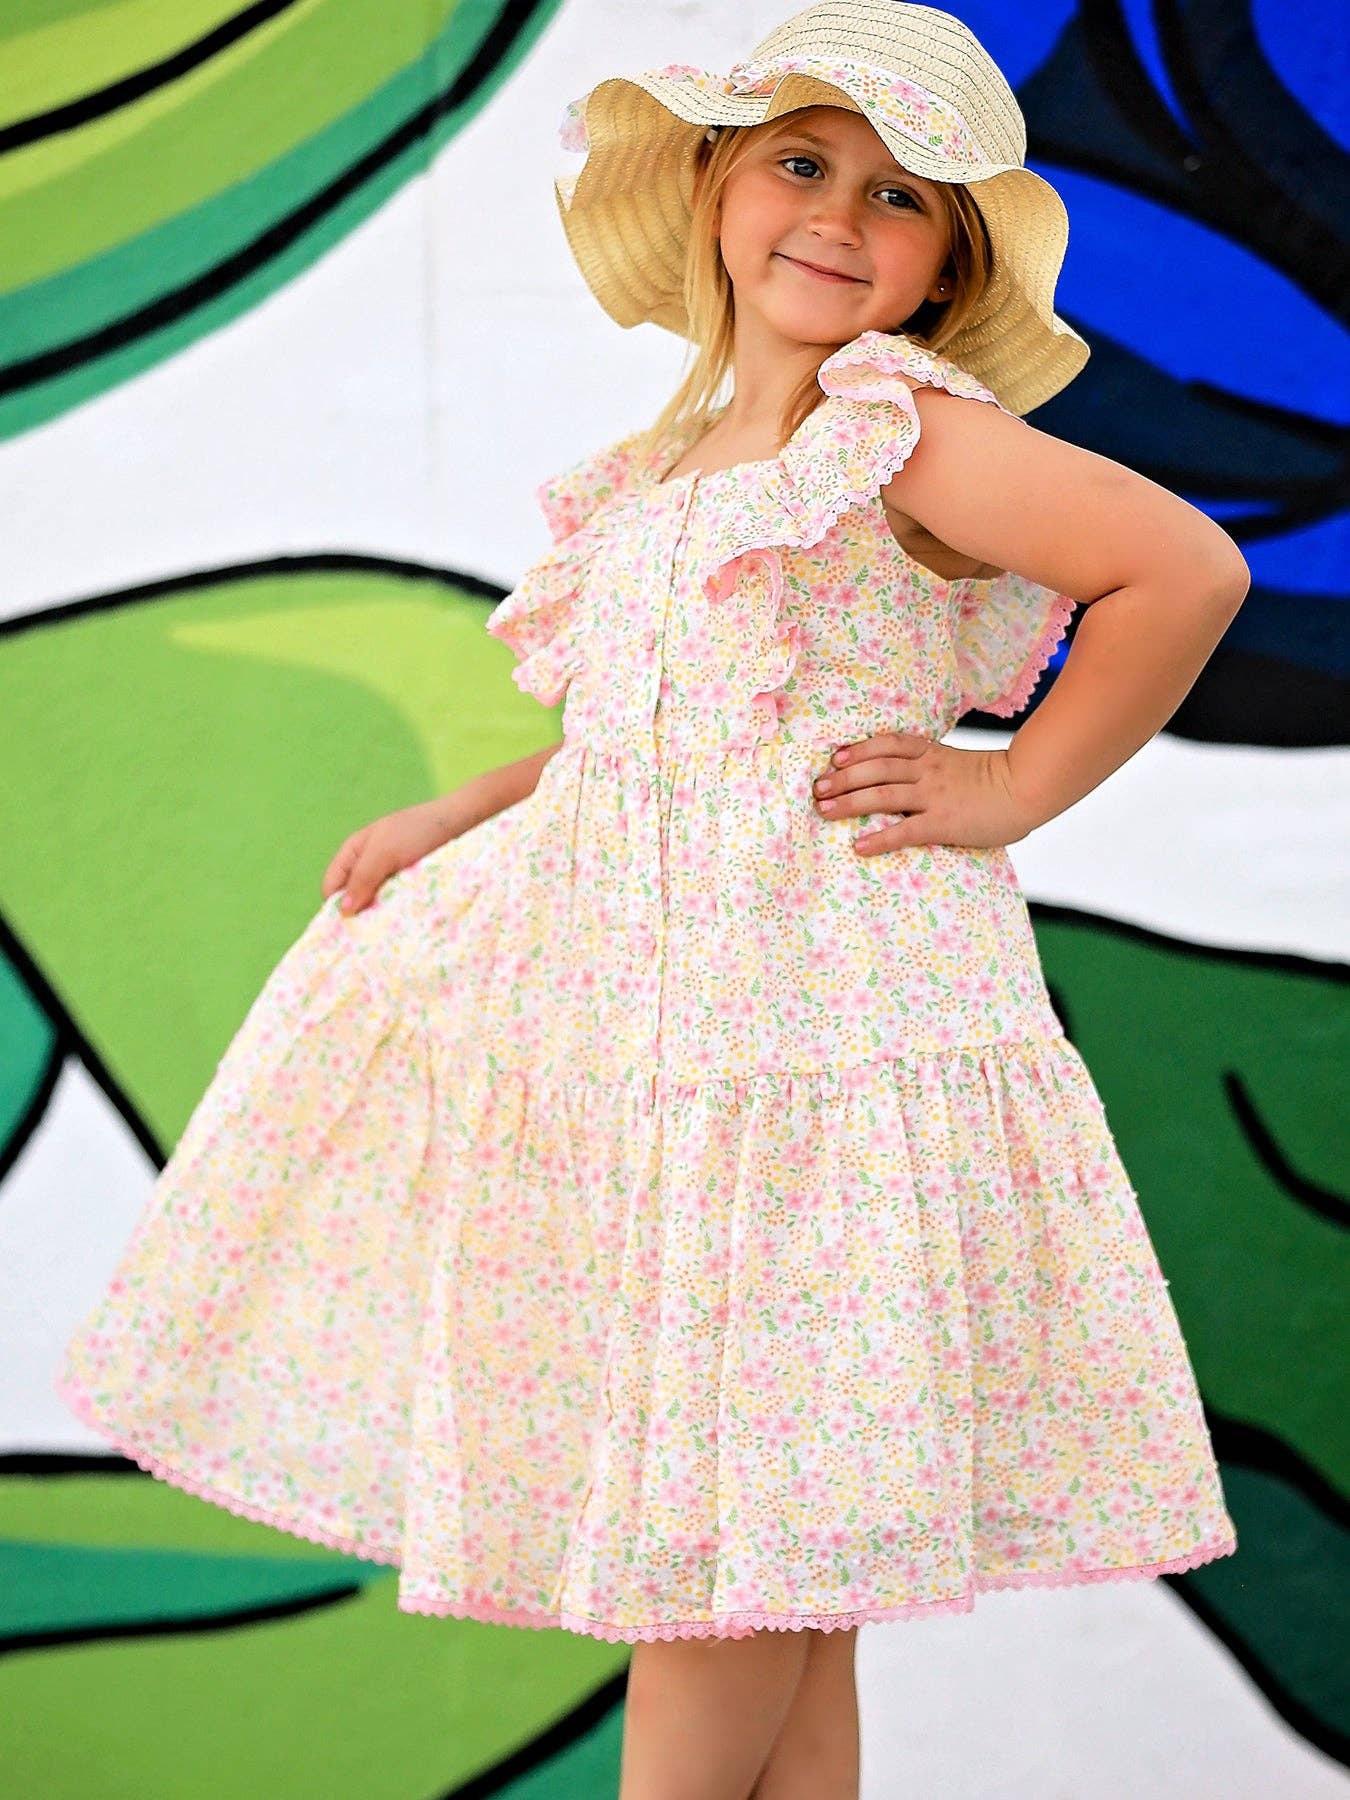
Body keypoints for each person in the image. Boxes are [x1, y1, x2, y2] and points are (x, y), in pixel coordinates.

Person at [57, 5, 1244, 1796]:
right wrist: (469, 805)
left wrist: (1013, 783)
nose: (839, 217)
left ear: (942, 268)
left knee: (724, 1554)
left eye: (901, 198)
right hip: (673, 1037)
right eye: (800, 163)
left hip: (820, 1030)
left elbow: (1181, 568)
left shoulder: (898, 429)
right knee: (785, 1575)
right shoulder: (670, 471)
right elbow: (661, 728)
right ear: (708, 186)